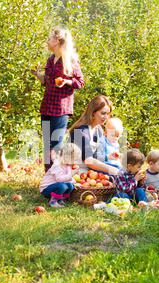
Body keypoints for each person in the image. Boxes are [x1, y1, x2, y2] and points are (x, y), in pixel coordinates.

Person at [31, 27, 85, 172]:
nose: (47, 41)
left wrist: (66, 82)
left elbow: (80, 82)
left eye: (49, 39)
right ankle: (49, 175)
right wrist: (38, 75)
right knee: (47, 143)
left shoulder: (70, 60)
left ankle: (59, 174)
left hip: (61, 109)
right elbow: (47, 82)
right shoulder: (50, 59)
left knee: (56, 144)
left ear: (57, 41)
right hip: (47, 106)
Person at [68, 95, 119, 176]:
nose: (106, 117)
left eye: (108, 114)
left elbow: (96, 156)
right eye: (103, 113)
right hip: (76, 172)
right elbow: (88, 161)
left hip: (90, 172)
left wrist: (108, 157)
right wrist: (112, 170)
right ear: (93, 112)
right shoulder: (81, 131)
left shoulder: (98, 129)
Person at [40, 143, 81, 208]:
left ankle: (60, 200)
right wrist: (72, 174)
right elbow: (59, 179)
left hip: (56, 185)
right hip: (46, 189)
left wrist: (75, 183)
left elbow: (67, 177)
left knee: (70, 185)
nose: (75, 162)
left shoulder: (67, 165)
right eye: (74, 159)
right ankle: (53, 202)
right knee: (63, 186)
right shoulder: (57, 165)